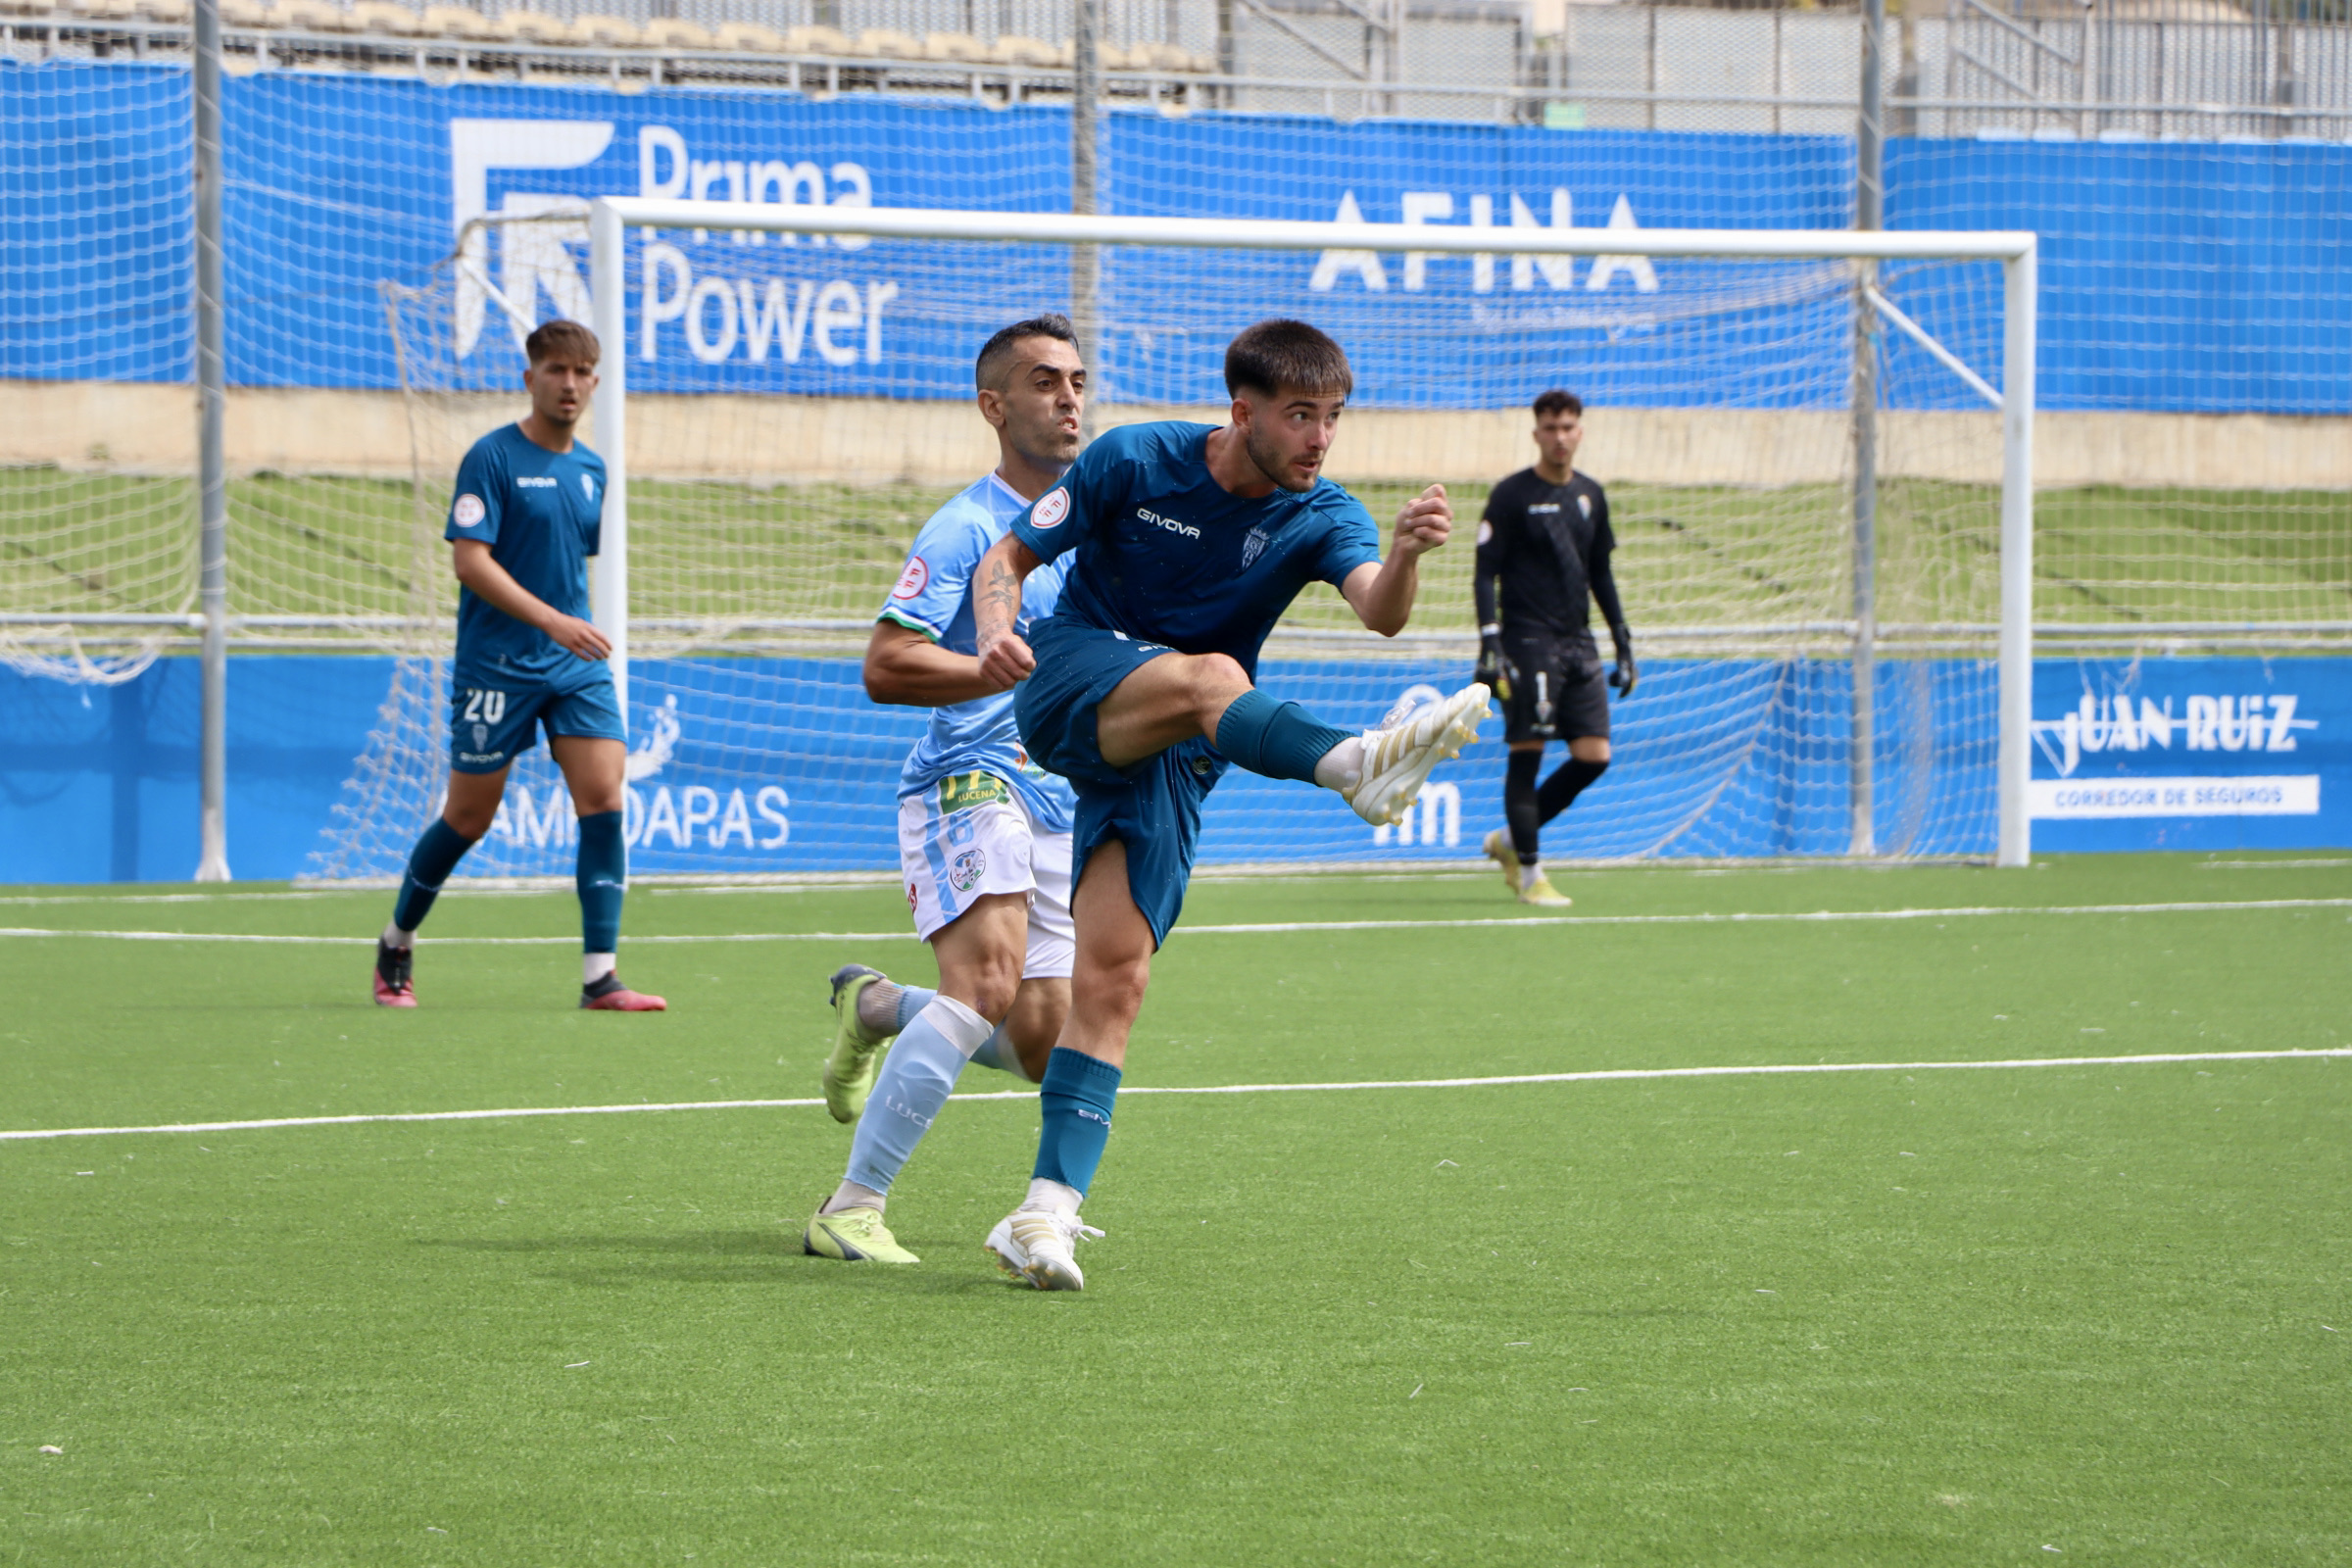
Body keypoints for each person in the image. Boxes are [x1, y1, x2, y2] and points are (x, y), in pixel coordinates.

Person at [966, 318, 1490, 1292]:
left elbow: (1380, 611)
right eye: (1300, 416)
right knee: (1211, 674)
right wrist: (995, 636)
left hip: (1183, 744)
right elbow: (1004, 562)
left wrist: (1412, 554)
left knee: (1114, 979)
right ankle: (1350, 763)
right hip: (1074, 676)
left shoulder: (1320, 512)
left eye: (1333, 417)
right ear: (1242, 412)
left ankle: (1043, 1213)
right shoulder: (1139, 458)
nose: (1321, 437)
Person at [803, 315, 1088, 1266]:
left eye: (1078, 381)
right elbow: (886, 665)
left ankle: (880, 1008)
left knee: (1044, 1040)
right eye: (1045, 381)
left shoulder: (1097, 528)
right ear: (994, 405)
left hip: (1060, 794)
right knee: (988, 981)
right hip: (968, 777)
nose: (1069, 398)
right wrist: (985, 668)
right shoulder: (966, 527)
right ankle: (850, 1205)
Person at [370, 319, 664, 1012]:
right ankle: (397, 940)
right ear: (528, 377)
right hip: (496, 665)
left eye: (582, 372)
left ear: (595, 381)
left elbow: (566, 565)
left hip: (573, 666)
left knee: (604, 799)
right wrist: (554, 621)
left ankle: (601, 977)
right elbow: (470, 562)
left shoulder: (592, 470)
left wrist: (568, 631)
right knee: (469, 817)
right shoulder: (491, 458)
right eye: (556, 370)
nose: (570, 384)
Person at [1474, 388, 1636, 907]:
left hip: (1579, 644)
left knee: (1594, 756)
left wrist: (1623, 642)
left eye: (1568, 427)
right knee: (1529, 754)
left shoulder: (1591, 494)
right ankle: (1530, 873)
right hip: (1527, 643)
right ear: (1536, 433)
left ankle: (1507, 841)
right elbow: (1484, 572)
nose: (1559, 437)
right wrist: (1490, 641)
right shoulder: (1511, 495)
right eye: (1550, 428)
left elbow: (1601, 574)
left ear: (1580, 431)